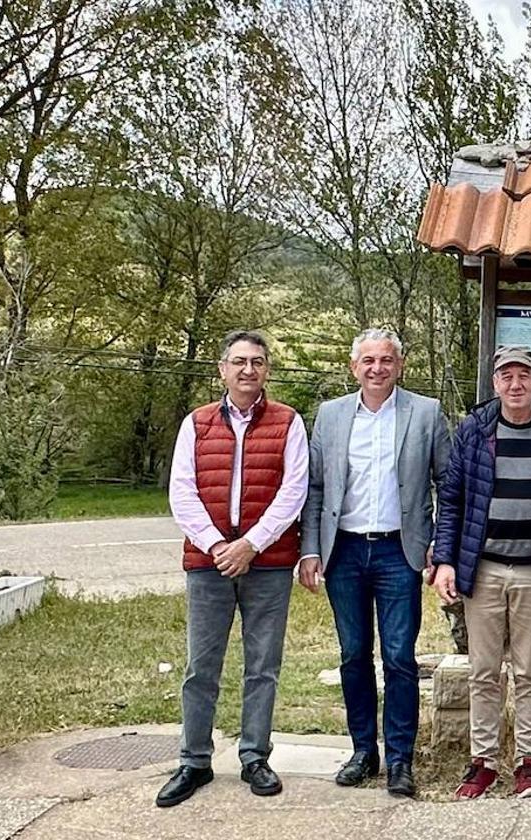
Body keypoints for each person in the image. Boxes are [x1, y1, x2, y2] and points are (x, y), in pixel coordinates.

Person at [297, 328, 451, 798]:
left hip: (398, 552)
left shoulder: (426, 413)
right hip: (343, 551)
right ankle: (364, 751)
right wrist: (310, 548)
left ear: (399, 365)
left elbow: (448, 483)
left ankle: (400, 759)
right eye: (368, 361)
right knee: (352, 655)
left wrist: (438, 546)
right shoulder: (331, 415)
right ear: (354, 367)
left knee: (400, 657)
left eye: (386, 360)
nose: (377, 368)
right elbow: (316, 487)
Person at [157, 330, 308, 808]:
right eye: (239, 362)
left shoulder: (289, 422)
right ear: (222, 369)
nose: (248, 370)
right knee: (201, 666)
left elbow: (294, 491)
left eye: (258, 362)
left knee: (262, 666)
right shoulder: (196, 424)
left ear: (267, 370)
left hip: (269, 565)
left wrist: (251, 544)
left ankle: (254, 757)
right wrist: (219, 545)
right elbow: (182, 492)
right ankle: (194, 761)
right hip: (208, 564)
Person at [432, 345, 531, 800]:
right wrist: (445, 559)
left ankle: (529, 761)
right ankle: (483, 762)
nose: (515, 384)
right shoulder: (474, 431)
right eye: (506, 376)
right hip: (482, 570)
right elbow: (452, 500)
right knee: (483, 670)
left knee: (529, 671)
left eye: (524, 375)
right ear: (495, 382)